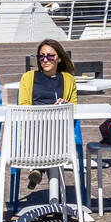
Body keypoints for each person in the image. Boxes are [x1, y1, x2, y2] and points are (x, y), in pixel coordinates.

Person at [17, 39, 78, 191]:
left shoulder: (68, 79)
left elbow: (74, 107)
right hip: (34, 131)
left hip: (59, 131)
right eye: (41, 56)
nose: (45, 60)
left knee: (53, 134)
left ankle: (38, 169)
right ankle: (40, 169)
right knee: (43, 133)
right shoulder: (28, 77)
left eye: (50, 56)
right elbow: (23, 106)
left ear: (59, 58)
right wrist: (49, 110)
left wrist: (65, 104)